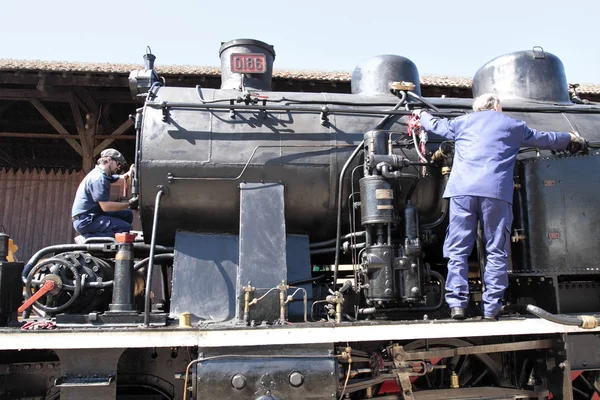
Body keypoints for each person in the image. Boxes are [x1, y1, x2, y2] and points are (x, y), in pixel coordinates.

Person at [413, 93, 588, 320]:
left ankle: (456, 305)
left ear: (477, 108)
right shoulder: (513, 125)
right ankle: (492, 308)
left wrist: (420, 113)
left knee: (457, 249)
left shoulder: (462, 122)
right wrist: (570, 138)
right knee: (496, 249)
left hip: (462, 192)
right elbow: (544, 138)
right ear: (496, 106)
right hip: (494, 193)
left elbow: (436, 125)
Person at [71, 148, 138, 238]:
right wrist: (129, 204)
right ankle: (88, 237)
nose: (118, 168)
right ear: (109, 160)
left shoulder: (104, 174)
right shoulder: (99, 178)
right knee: (125, 228)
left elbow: (124, 179)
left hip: (93, 215)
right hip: (86, 220)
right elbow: (105, 207)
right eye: (118, 164)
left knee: (127, 214)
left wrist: (133, 172)